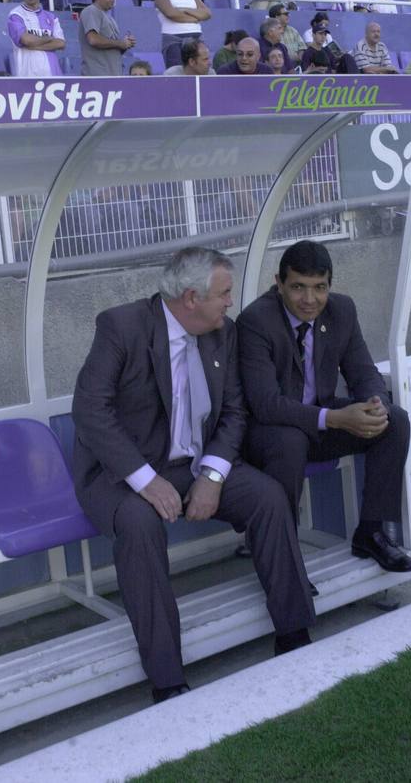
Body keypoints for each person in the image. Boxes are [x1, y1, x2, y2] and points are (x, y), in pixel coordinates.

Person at [72, 247, 317, 701]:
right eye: (223, 293)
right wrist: (145, 479)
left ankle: (295, 631)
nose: (230, 302)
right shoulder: (121, 327)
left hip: (197, 465)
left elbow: (235, 412)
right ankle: (168, 680)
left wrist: (214, 475)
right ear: (190, 297)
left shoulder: (222, 333)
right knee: (139, 524)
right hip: (123, 473)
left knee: (267, 497)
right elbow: (90, 412)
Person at [236, 239, 411, 575]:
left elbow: (363, 372)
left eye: (319, 287)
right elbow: (265, 405)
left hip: (320, 423)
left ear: (330, 284)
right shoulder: (255, 321)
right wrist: (334, 418)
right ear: (279, 283)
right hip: (268, 434)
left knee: (396, 421)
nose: (310, 299)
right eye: (298, 288)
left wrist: (376, 404)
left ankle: (371, 532)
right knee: (289, 441)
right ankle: (282, 555)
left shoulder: (341, 310)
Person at [154, 0, 210, 69]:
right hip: (174, 40)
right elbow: (171, 13)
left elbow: (207, 13)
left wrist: (185, 10)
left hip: (196, 39)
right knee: (177, 74)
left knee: (201, 72)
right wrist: (195, 17)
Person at [7, 0, 65, 76]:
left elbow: (60, 43)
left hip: (53, 75)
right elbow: (26, 40)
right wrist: (48, 38)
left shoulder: (51, 17)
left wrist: (35, 45)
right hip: (27, 76)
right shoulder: (15, 15)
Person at [78, 0, 136, 77]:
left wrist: (126, 44)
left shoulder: (110, 18)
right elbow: (93, 40)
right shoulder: (91, 11)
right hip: (97, 78)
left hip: (111, 76)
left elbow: (113, 49)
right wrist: (121, 43)